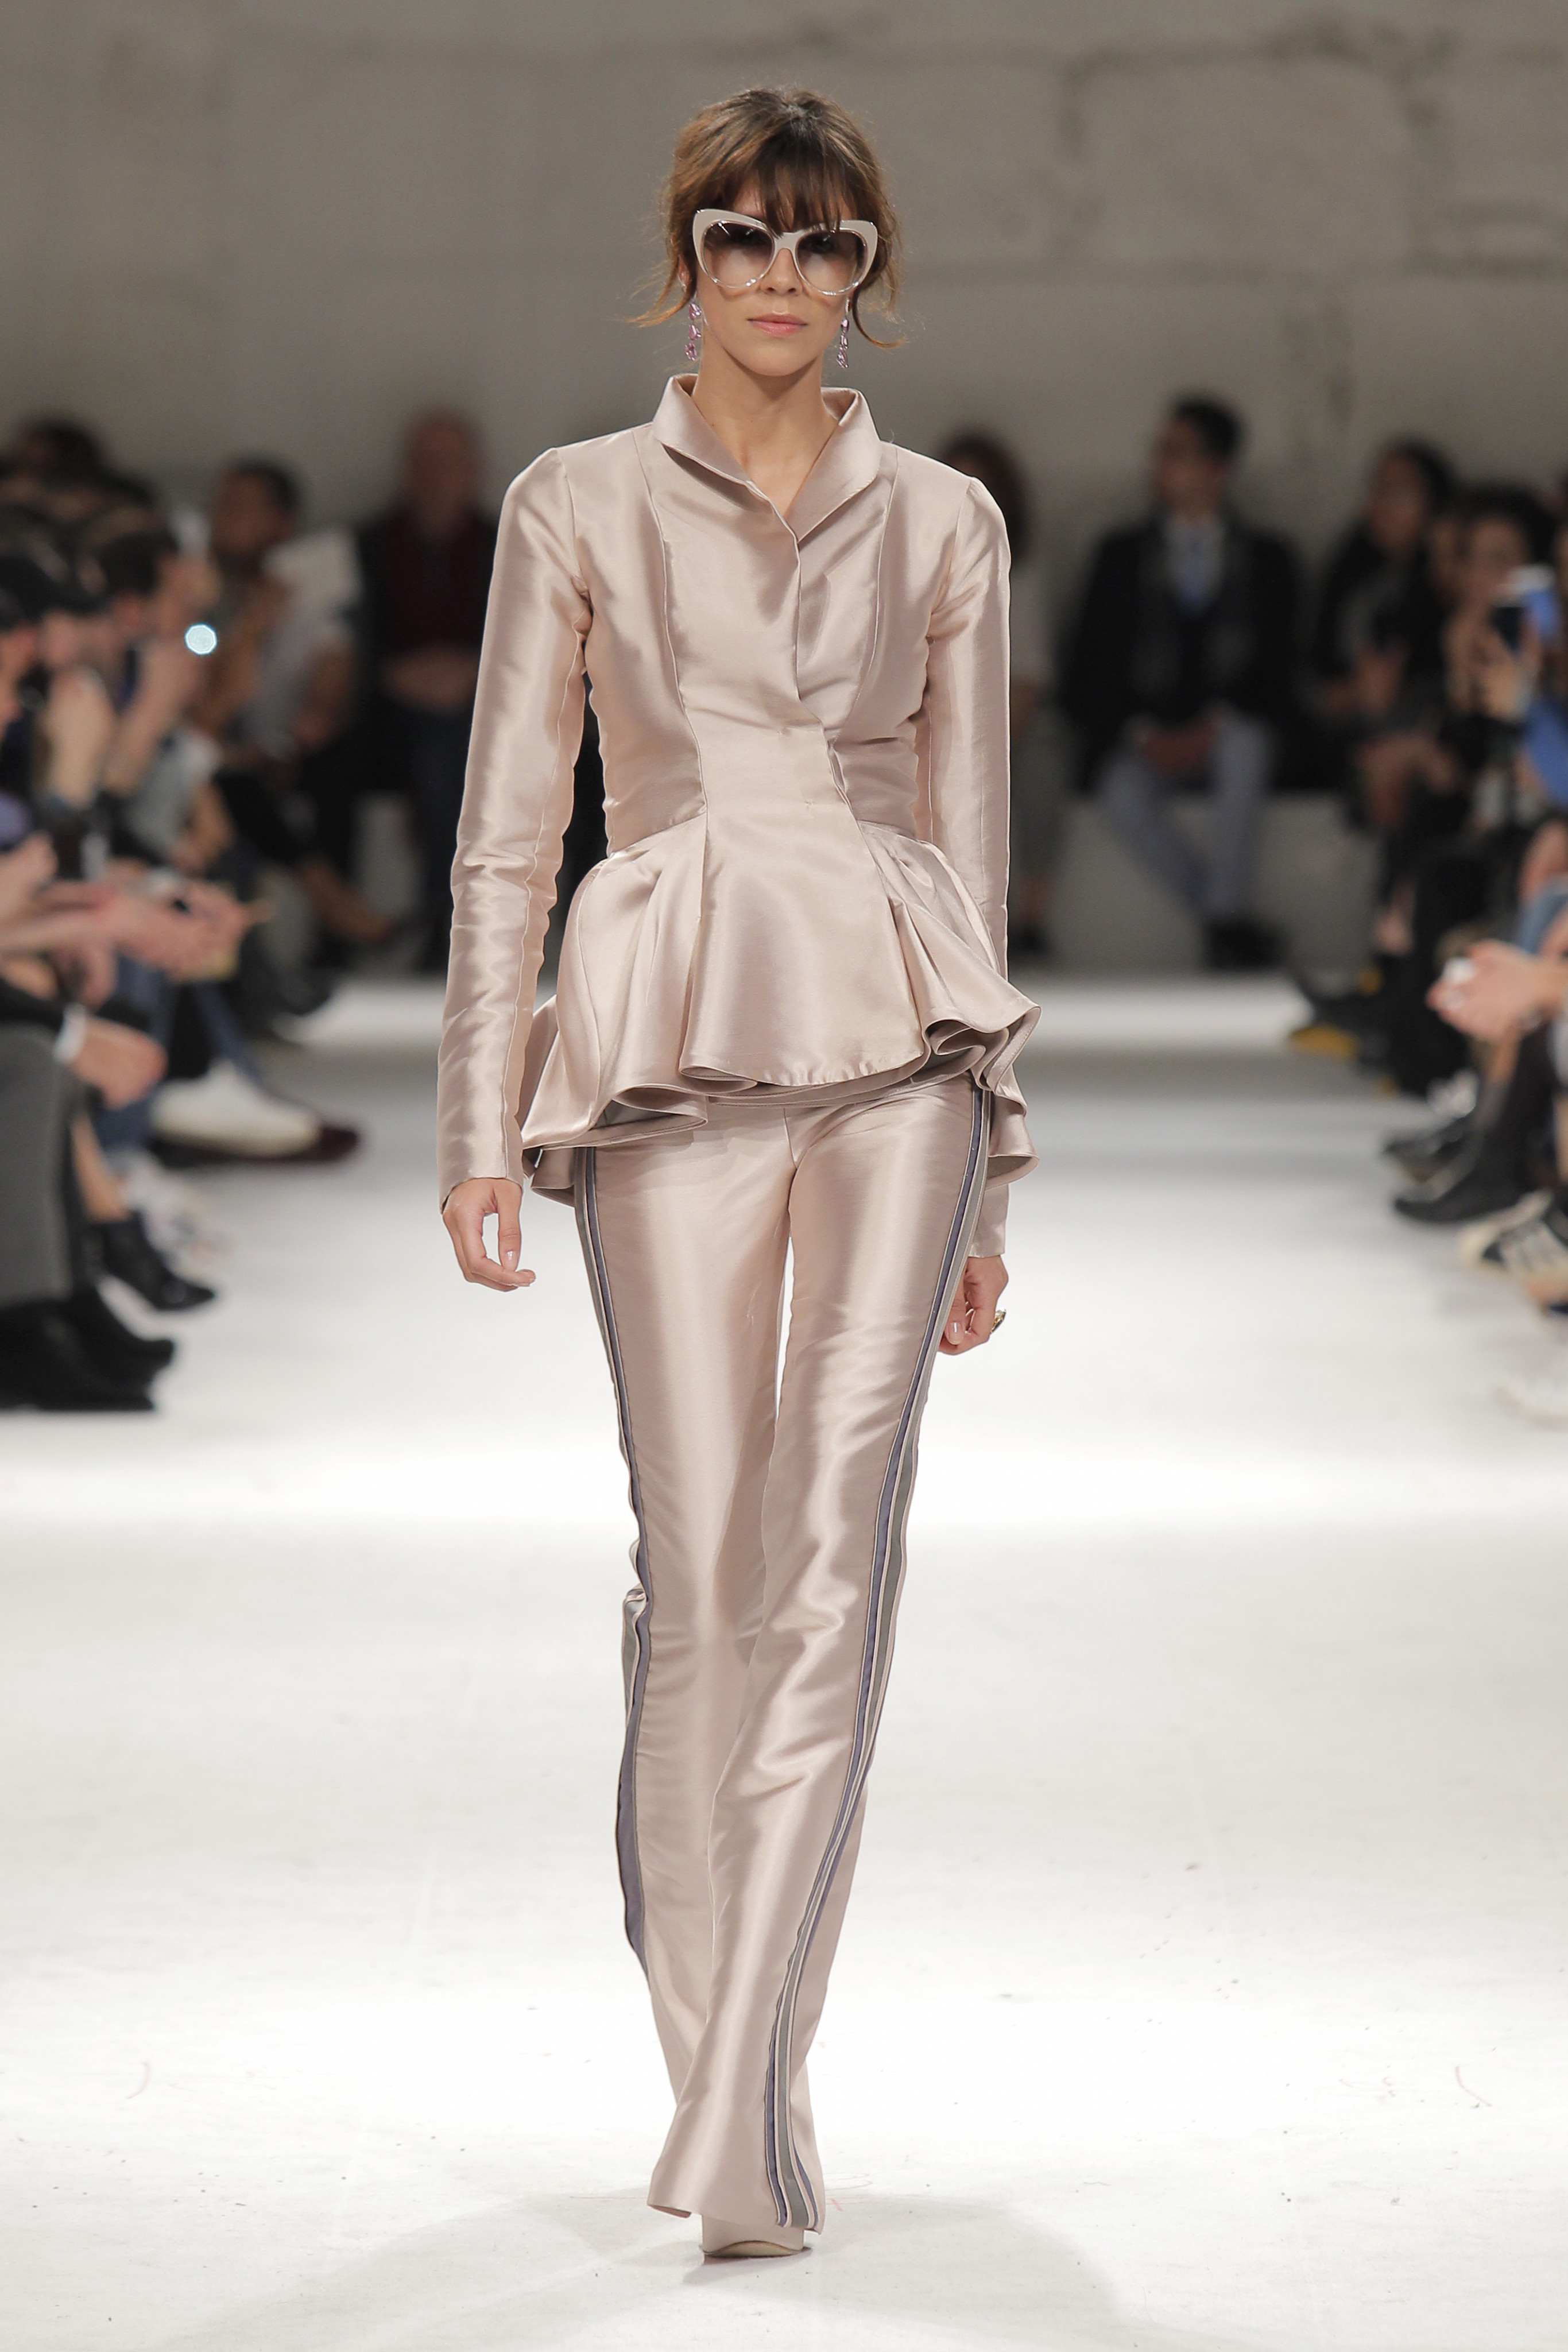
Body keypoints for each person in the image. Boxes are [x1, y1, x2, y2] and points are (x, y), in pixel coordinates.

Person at [437, 86, 1037, 2261]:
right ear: (683, 257)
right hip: (665, 1032)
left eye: (825, 245)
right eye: (742, 238)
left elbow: (969, 847)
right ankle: (725, 2067)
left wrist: (997, 1172)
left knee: (833, 1560)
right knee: (696, 1568)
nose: (782, 280)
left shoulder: (944, 519)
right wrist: (475, 1111)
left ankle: (740, 2109)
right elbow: (512, 830)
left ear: (867, 272)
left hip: (900, 1045)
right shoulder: (572, 500)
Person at [1060, 394, 1300, 969]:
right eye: (1161, 451)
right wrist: (1142, 733)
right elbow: (1089, 664)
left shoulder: (1267, 559)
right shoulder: (1119, 556)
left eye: (1177, 452)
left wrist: (1213, 724)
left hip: (1224, 732)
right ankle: (1225, 922)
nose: (1160, 465)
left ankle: (1224, 921)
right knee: (1118, 789)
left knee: (1247, 747)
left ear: (1217, 468)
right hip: (1144, 737)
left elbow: (1278, 666)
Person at [357, 412, 497, 968]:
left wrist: (473, 670)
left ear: (473, 470)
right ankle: (447, 911)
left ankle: (445, 910)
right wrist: (391, 673)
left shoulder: (508, 541)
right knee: (440, 749)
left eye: (450, 462)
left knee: (454, 746)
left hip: (480, 705)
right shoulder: (370, 545)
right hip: (385, 712)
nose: (438, 476)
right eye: (427, 462)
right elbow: (351, 637)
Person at [936, 430, 1067, 960]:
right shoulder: (916, 563)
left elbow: (1029, 676)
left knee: (1035, 765)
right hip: (940, 716)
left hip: (1010, 718)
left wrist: (988, 740)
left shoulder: (1021, 569)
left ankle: (1028, 919)